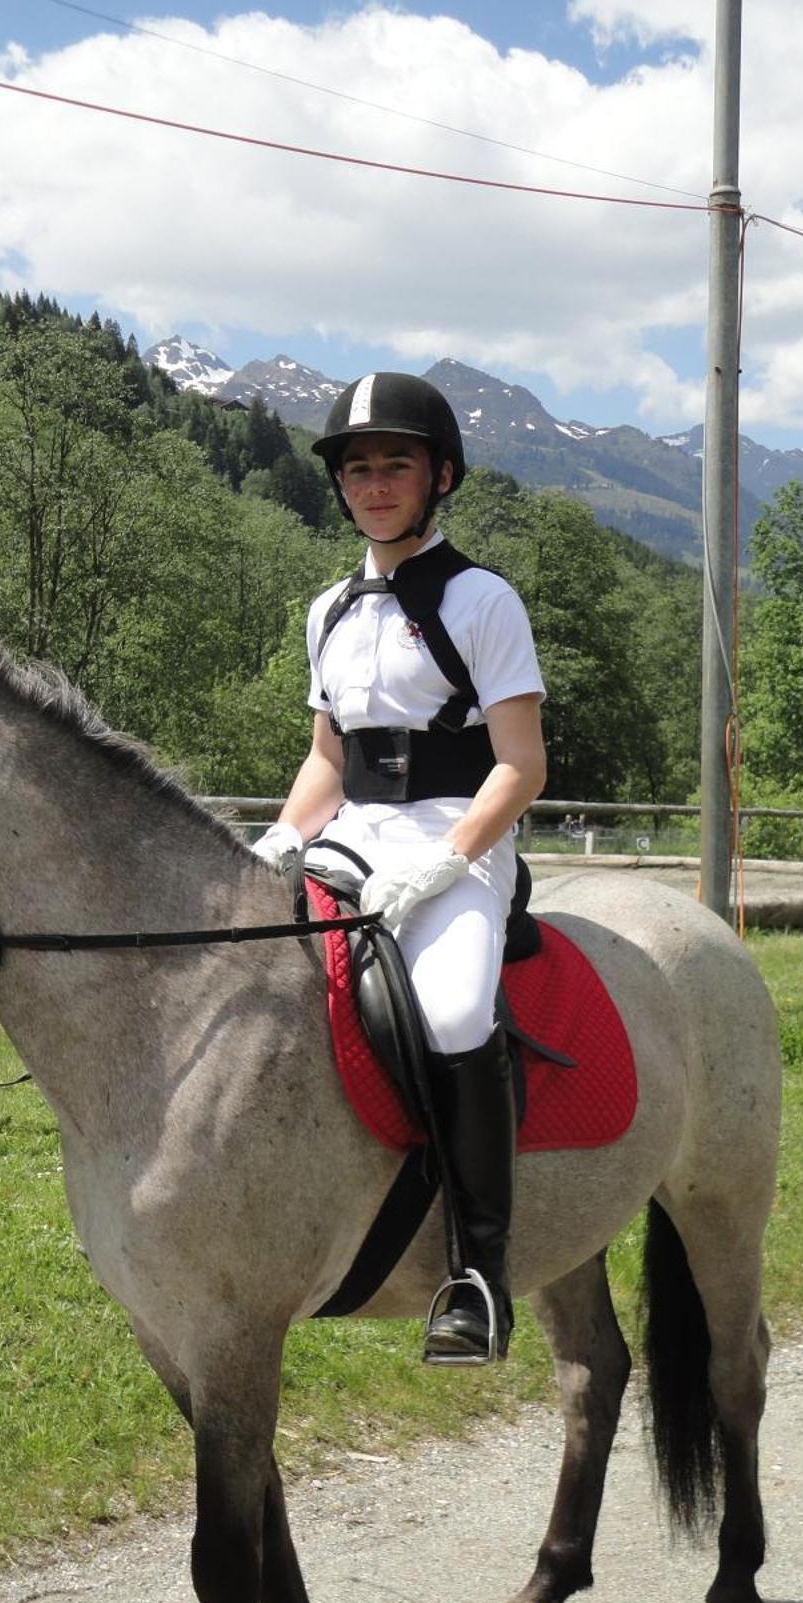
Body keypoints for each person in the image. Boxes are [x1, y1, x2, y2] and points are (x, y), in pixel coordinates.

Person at [250, 373, 546, 1363]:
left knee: (458, 1010)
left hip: (462, 829)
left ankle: (478, 1273)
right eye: (358, 467)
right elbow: (330, 760)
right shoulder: (327, 608)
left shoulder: (480, 598)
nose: (374, 484)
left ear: (441, 475)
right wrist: (283, 836)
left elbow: (522, 763)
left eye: (396, 465)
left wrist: (445, 866)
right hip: (357, 828)